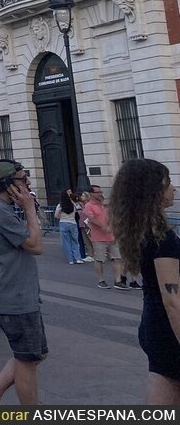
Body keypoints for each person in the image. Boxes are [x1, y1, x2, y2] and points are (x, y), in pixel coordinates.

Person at [0, 159, 46, 406]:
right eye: (23, 179)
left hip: (20, 292)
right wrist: (30, 210)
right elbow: (35, 246)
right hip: (16, 295)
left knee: (33, 355)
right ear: (7, 184)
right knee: (27, 359)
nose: (28, 184)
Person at [109, 159, 180, 405]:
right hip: (169, 328)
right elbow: (172, 298)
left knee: (164, 393)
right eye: (168, 183)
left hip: (153, 324)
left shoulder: (141, 231)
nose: (174, 189)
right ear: (154, 191)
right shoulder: (164, 237)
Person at [81, 184, 128, 289]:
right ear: (91, 194)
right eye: (97, 192)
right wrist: (103, 227)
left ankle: (118, 280)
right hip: (99, 237)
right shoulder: (89, 205)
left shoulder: (105, 204)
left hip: (112, 235)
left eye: (100, 192)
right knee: (100, 259)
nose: (100, 194)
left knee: (117, 257)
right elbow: (91, 219)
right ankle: (101, 280)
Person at [55, 188, 83, 264]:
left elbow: (56, 216)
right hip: (72, 223)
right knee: (75, 241)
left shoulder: (60, 205)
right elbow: (79, 212)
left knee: (66, 242)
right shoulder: (74, 204)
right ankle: (77, 258)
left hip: (63, 222)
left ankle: (70, 259)